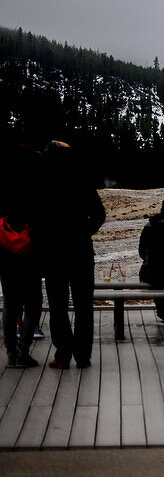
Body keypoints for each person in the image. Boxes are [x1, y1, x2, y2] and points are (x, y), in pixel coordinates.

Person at [36, 141, 105, 370]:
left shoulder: (43, 182)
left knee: (57, 305)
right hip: (81, 250)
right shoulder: (81, 178)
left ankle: (63, 354)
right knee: (84, 305)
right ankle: (83, 355)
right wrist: (85, 230)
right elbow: (99, 214)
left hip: (54, 252)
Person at [1, 144, 42, 368]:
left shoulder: (4, 182)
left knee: (9, 304)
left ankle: (11, 352)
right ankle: (24, 350)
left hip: (6, 252)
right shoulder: (36, 185)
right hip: (30, 253)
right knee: (33, 304)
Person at [137, 196, 164, 324]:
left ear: (161, 209)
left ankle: (163, 309)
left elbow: (141, 251)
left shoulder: (150, 226)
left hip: (153, 272)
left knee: (155, 279)